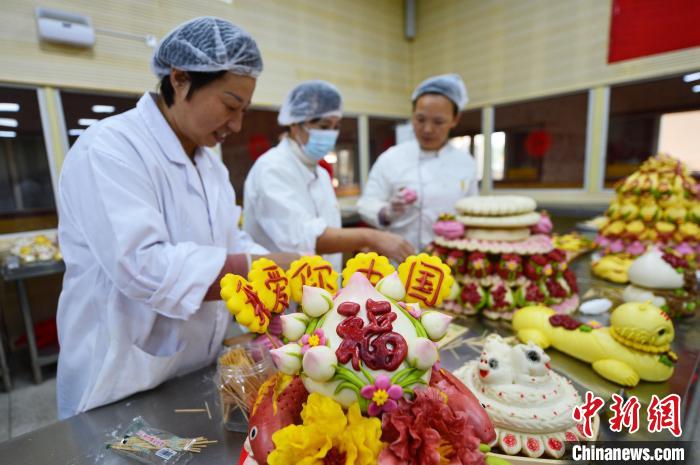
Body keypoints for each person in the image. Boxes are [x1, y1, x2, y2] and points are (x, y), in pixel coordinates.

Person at [55, 17, 295, 418]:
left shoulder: (210, 166)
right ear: (180, 80)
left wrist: (279, 268)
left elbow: (228, 241)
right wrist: (258, 267)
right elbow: (142, 264)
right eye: (230, 105)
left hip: (190, 369)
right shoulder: (111, 148)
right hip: (118, 377)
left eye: (244, 110)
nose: (235, 124)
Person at [243, 80, 414, 271]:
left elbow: (326, 230)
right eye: (324, 126)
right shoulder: (272, 168)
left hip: (322, 285)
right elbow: (304, 238)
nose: (331, 134)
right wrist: (372, 237)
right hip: (282, 290)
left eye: (336, 126)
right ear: (294, 124)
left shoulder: (320, 173)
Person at [357, 74, 479, 250]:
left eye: (438, 122)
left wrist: (462, 227)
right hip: (398, 262)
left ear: (455, 120)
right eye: (420, 120)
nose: (428, 129)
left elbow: (472, 211)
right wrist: (386, 212)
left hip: (448, 258)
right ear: (412, 115)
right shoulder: (391, 158)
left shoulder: (465, 163)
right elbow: (366, 204)